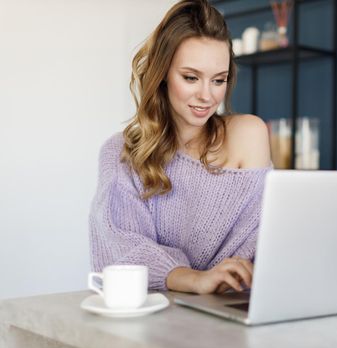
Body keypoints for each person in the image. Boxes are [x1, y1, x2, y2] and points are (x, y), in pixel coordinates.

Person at [89, 0, 272, 295]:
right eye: (190, 77)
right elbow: (118, 250)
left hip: (235, 315)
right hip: (157, 322)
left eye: (218, 80)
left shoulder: (248, 134)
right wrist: (194, 279)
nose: (206, 96)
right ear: (162, 74)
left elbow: (262, 242)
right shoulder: (121, 153)